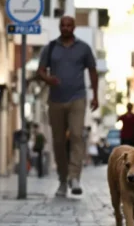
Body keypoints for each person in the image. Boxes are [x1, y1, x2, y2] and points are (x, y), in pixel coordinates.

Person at [37, 16, 99, 197]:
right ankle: (63, 180)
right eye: (62, 25)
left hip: (77, 98)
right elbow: (41, 70)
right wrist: (48, 78)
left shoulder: (84, 48)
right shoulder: (50, 48)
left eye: (69, 25)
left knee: (77, 135)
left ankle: (74, 177)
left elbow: (93, 71)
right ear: (59, 27)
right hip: (55, 99)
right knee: (58, 141)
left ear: (74, 27)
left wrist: (95, 96)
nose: (65, 28)